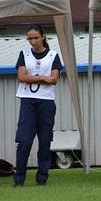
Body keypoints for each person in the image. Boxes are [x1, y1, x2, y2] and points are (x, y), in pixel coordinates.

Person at [13, 25, 62, 187]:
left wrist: (33, 77)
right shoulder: (24, 54)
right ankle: (19, 179)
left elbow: (54, 79)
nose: (33, 41)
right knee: (24, 141)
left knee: (45, 141)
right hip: (28, 100)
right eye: (30, 38)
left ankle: (42, 178)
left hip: (46, 102)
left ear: (43, 36)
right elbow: (21, 77)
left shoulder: (53, 55)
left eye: (36, 38)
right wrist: (42, 78)